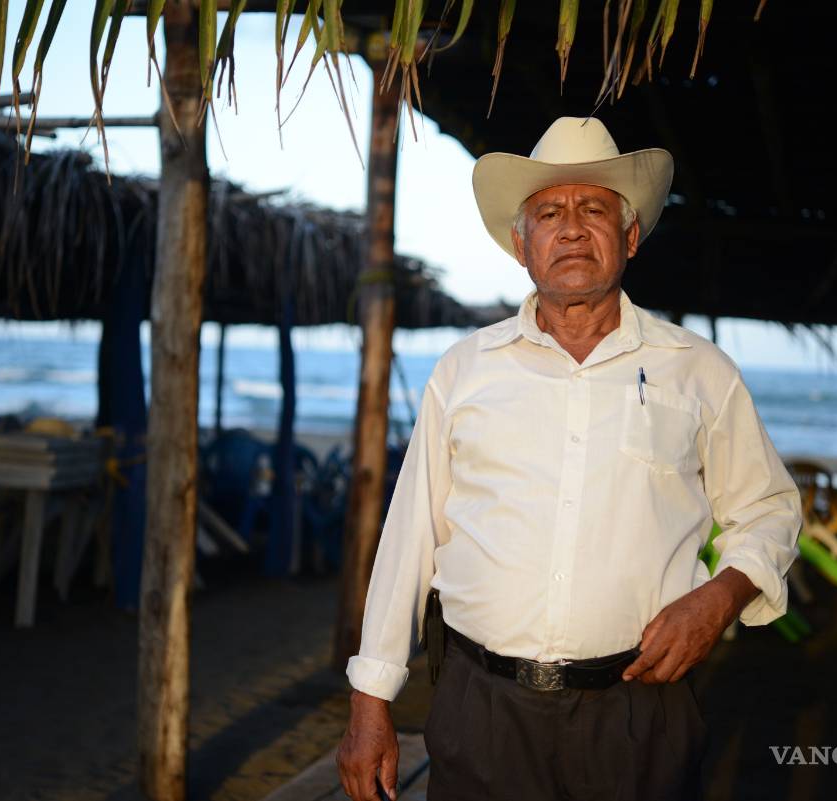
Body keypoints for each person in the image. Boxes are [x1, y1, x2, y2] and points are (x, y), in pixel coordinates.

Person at [336, 117, 802, 801]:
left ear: (631, 236)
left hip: (639, 713)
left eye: (595, 209)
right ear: (523, 246)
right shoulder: (464, 371)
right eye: (550, 213)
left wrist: (717, 598)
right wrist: (369, 701)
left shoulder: (699, 372)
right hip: (482, 708)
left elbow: (768, 509)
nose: (573, 228)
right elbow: (409, 541)